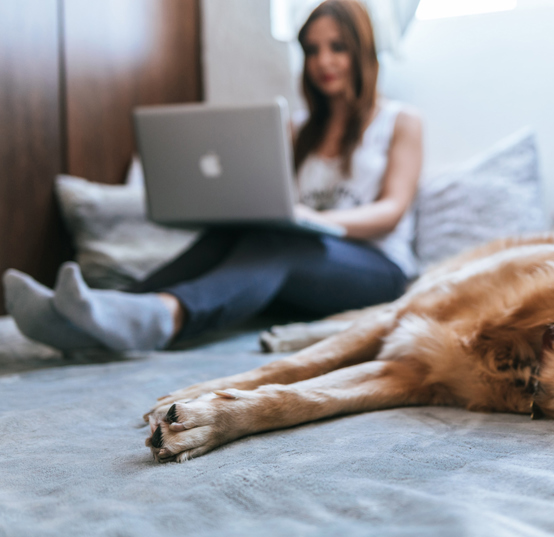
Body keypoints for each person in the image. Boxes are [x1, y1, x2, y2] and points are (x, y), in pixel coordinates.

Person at [2, 0, 423, 352]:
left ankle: (164, 316)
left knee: (279, 241)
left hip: (377, 269)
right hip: (301, 253)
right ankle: (99, 312)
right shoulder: (295, 128)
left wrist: (316, 221)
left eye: (337, 47)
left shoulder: (400, 120)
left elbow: (391, 210)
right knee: (239, 234)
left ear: (361, 51)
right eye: (312, 50)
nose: (323, 61)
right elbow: (273, 198)